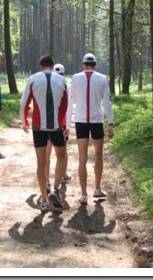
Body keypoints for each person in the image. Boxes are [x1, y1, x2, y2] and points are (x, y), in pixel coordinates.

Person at [20, 55, 69, 212]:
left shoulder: (33, 79)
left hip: (38, 127)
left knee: (41, 162)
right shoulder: (62, 81)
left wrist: (24, 121)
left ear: (40, 65)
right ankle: (55, 189)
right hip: (56, 127)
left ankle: (44, 200)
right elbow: (65, 105)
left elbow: (24, 103)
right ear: (53, 65)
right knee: (61, 156)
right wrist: (62, 124)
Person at [71, 53, 114, 206]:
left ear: (83, 64)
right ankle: (97, 188)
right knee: (98, 154)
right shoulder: (102, 78)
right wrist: (111, 123)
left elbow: (73, 99)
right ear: (95, 65)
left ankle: (83, 195)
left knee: (82, 157)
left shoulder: (75, 78)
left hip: (81, 120)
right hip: (96, 120)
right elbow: (107, 102)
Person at [44, 63, 72, 193]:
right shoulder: (67, 86)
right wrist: (68, 125)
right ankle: (62, 176)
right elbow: (69, 107)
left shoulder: (45, 85)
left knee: (46, 155)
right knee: (62, 153)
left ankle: (46, 181)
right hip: (61, 124)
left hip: (45, 125)